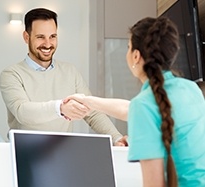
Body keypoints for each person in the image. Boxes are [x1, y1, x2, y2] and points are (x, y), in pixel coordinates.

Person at [66, 17, 205, 187]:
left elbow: (154, 184)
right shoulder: (191, 89)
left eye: (128, 47)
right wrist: (88, 101)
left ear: (136, 56)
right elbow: (131, 109)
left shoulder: (144, 105)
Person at [0, 8, 127, 146]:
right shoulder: (12, 74)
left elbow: (92, 113)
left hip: (62, 153)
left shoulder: (70, 71)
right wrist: (60, 108)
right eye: (40, 37)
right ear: (26, 37)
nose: (48, 44)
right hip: (25, 153)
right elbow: (22, 112)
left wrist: (116, 138)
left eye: (52, 36)